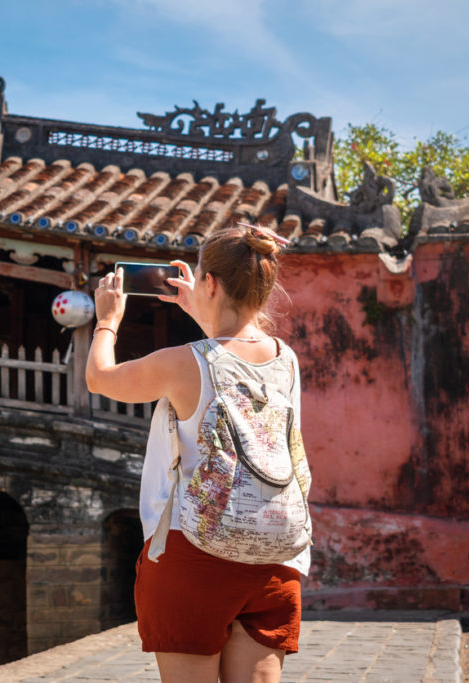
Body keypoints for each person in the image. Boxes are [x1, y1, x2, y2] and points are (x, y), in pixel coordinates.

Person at [85, 223, 308, 683]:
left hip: (194, 555)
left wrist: (108, 318)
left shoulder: (180, 363)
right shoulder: (286, 359)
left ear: (210, 283)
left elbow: (100, 377)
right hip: (273, 561)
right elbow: (232, 354)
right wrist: (205, 311)